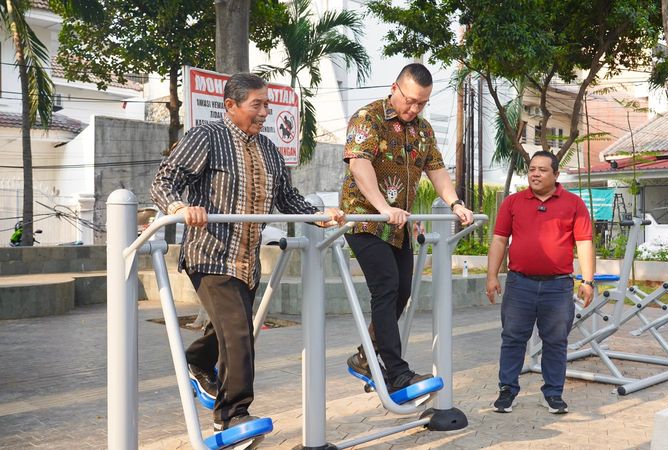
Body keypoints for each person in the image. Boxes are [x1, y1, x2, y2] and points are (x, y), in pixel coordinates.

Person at [151, 73, 344, 435]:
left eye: (266, 104)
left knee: (235, 331)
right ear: (231, 105)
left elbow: (287, 199)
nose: (265, 112)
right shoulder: (207, 136)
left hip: (245, 260)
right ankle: (232, 416)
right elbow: (165, 180)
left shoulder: (269, 150)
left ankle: (196, 358)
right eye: (257, 104)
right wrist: (179, 207)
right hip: (210, 254)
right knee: (239, 334)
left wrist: (321, 217)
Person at [340, 63, 473, 392]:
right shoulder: (367, 118)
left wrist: (456, 203)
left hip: (397, 225)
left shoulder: (423, 130)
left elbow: (437, 170)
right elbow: (360, 164)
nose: (414, 109)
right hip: (366, 220)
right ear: (395, 88)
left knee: (403, 290)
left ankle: (364, 355)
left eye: (422, 103)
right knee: (385, 287)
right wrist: (383, 208)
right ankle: (396, 372)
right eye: (410, 100)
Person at [485, 151, 595, 415]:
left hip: (557, 287)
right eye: (532, 169)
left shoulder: (574, 204)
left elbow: (584, 243)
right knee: (512, 338)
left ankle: (553, 394)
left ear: (556, 175)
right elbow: (499, 240)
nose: (535, 174)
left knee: (556, 341)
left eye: (542, 170)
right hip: (519, 284)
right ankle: (507, 391)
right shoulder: (513, 202)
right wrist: (491, 276)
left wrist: (587, 280)